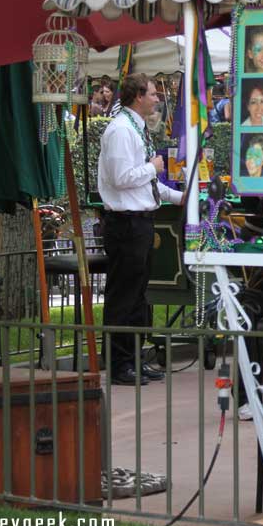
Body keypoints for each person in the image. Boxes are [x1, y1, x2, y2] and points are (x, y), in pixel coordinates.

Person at [98, 73, 184, 386]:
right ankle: (119, 363)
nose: (157, 99)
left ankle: (133, 358)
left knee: (137, 296)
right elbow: (123, 177)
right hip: (126, 223)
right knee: (124, 295)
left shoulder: (136, 127)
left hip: (140, 221)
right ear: (138, 96)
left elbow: (145, 186)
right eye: (152, 93)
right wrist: (154, 166)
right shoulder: (121, 129)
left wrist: (178, 196)